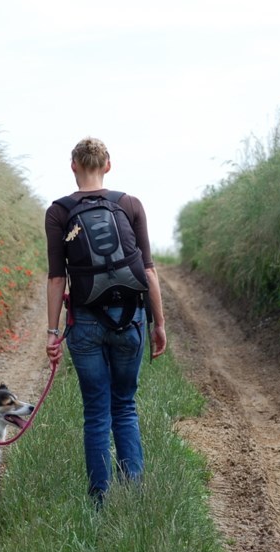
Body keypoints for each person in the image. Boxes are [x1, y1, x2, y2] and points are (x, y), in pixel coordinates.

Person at [45, 136, 167, 504]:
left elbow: (56, 278)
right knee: (125, 406)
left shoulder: (59, 212)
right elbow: (148, 270)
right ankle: (134, 495)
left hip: (84, 323)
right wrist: (159, 324)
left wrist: (52, 332)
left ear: (73, 166)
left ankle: (100, 501)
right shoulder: (129, 205)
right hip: (130, 320)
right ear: (108, 166)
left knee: (96, 412)